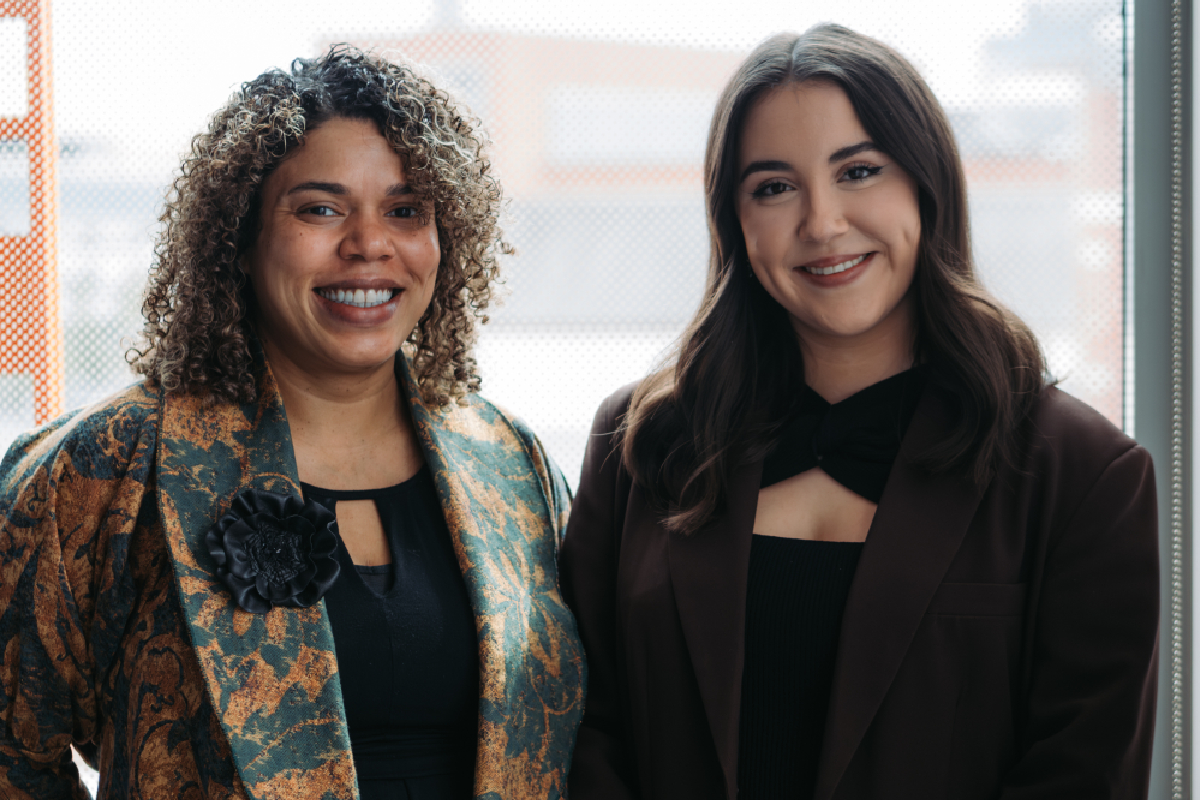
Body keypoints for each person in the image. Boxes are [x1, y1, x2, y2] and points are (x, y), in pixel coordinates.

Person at [560, 23, 1158, 800]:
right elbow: (585, 733)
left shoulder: (1082, 474)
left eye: (860, 170)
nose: (823, 222)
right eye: (774, 186)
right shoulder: (638, 445)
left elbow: (1085, 777)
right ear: (736, 222)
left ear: (925, 183)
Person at [0, 47, 584, 800]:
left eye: (406, 212)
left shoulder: (512, 463)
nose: (370, 244)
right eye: (321, 209)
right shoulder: (106, 466)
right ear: (239, 240)